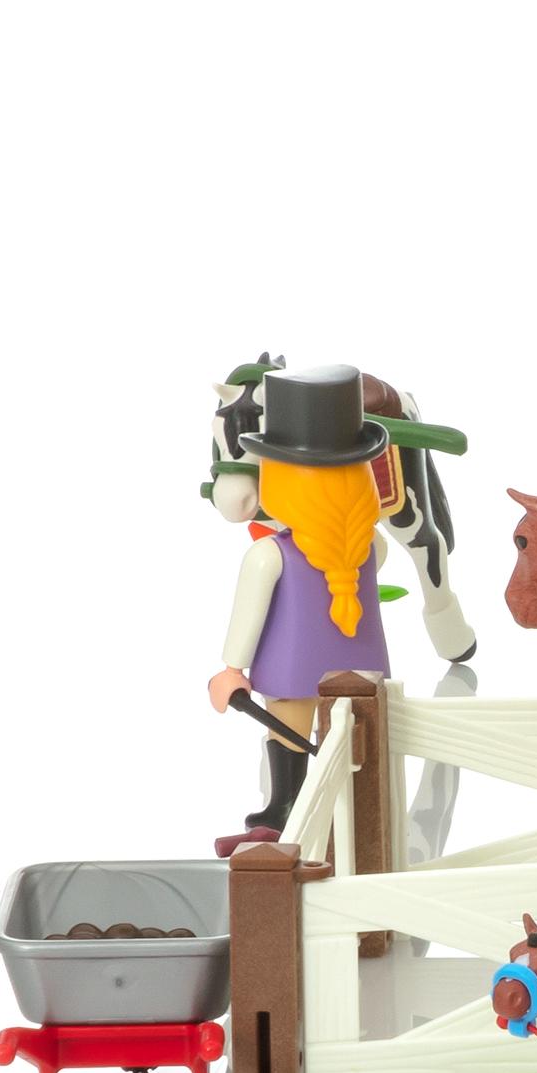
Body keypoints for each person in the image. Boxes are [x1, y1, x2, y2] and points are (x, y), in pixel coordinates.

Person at [204, 357, 399, 852]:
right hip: (363, 674)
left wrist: (231, 670)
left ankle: (284, 811)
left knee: (290, 736)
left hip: (291, 675)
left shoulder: (268, 554)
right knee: (353, 744)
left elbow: (248, 618)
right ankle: (353, 815)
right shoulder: (371, 547)